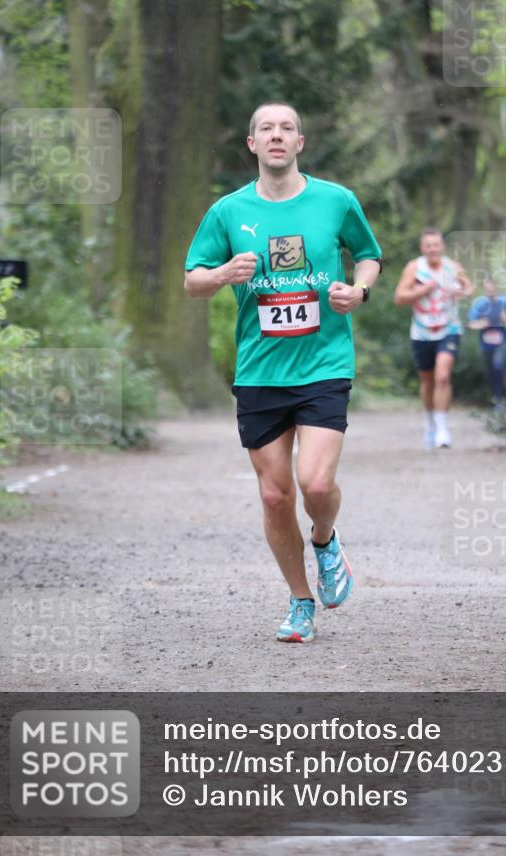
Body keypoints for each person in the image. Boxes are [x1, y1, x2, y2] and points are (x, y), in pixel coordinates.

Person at [183, 101, 382, 644]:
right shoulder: (227, 212)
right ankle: (299, 602)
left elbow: (368, 255)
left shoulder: (335, 201)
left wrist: (357, 291)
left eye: (286, 128)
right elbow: (192, 281)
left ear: (300, 142)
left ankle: (324, 539)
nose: (276, 135)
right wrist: (223, 272)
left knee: (315, 482)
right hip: (260, 371)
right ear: (252, 144)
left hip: (323, 364)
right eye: (266, 129)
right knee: (274, 496)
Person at [393, 229, 473, 449]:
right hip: (421, 332)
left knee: (443, 376)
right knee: (428, 380)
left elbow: (468, 288)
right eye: (428, 245)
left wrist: (462, 292)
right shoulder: (414, 268)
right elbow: (399, 298)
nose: (433, 249)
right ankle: (430, 423)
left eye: (436, 245)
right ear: (422, 248)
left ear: (442, 246)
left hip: (449, 329)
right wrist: (423, 291)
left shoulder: (452, 267)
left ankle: (443, 429)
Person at [467, 277, 506, 407]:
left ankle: (502, 399)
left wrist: (504, 318)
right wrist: (482, 323)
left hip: (503, 341)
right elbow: (472, 323)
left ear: (496, 287)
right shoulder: (479, 303)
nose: (489, 290)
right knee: (490, 370)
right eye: (487, 288)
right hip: (486, 343)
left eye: (491, 288)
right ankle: (495, 397)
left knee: (498, 365)